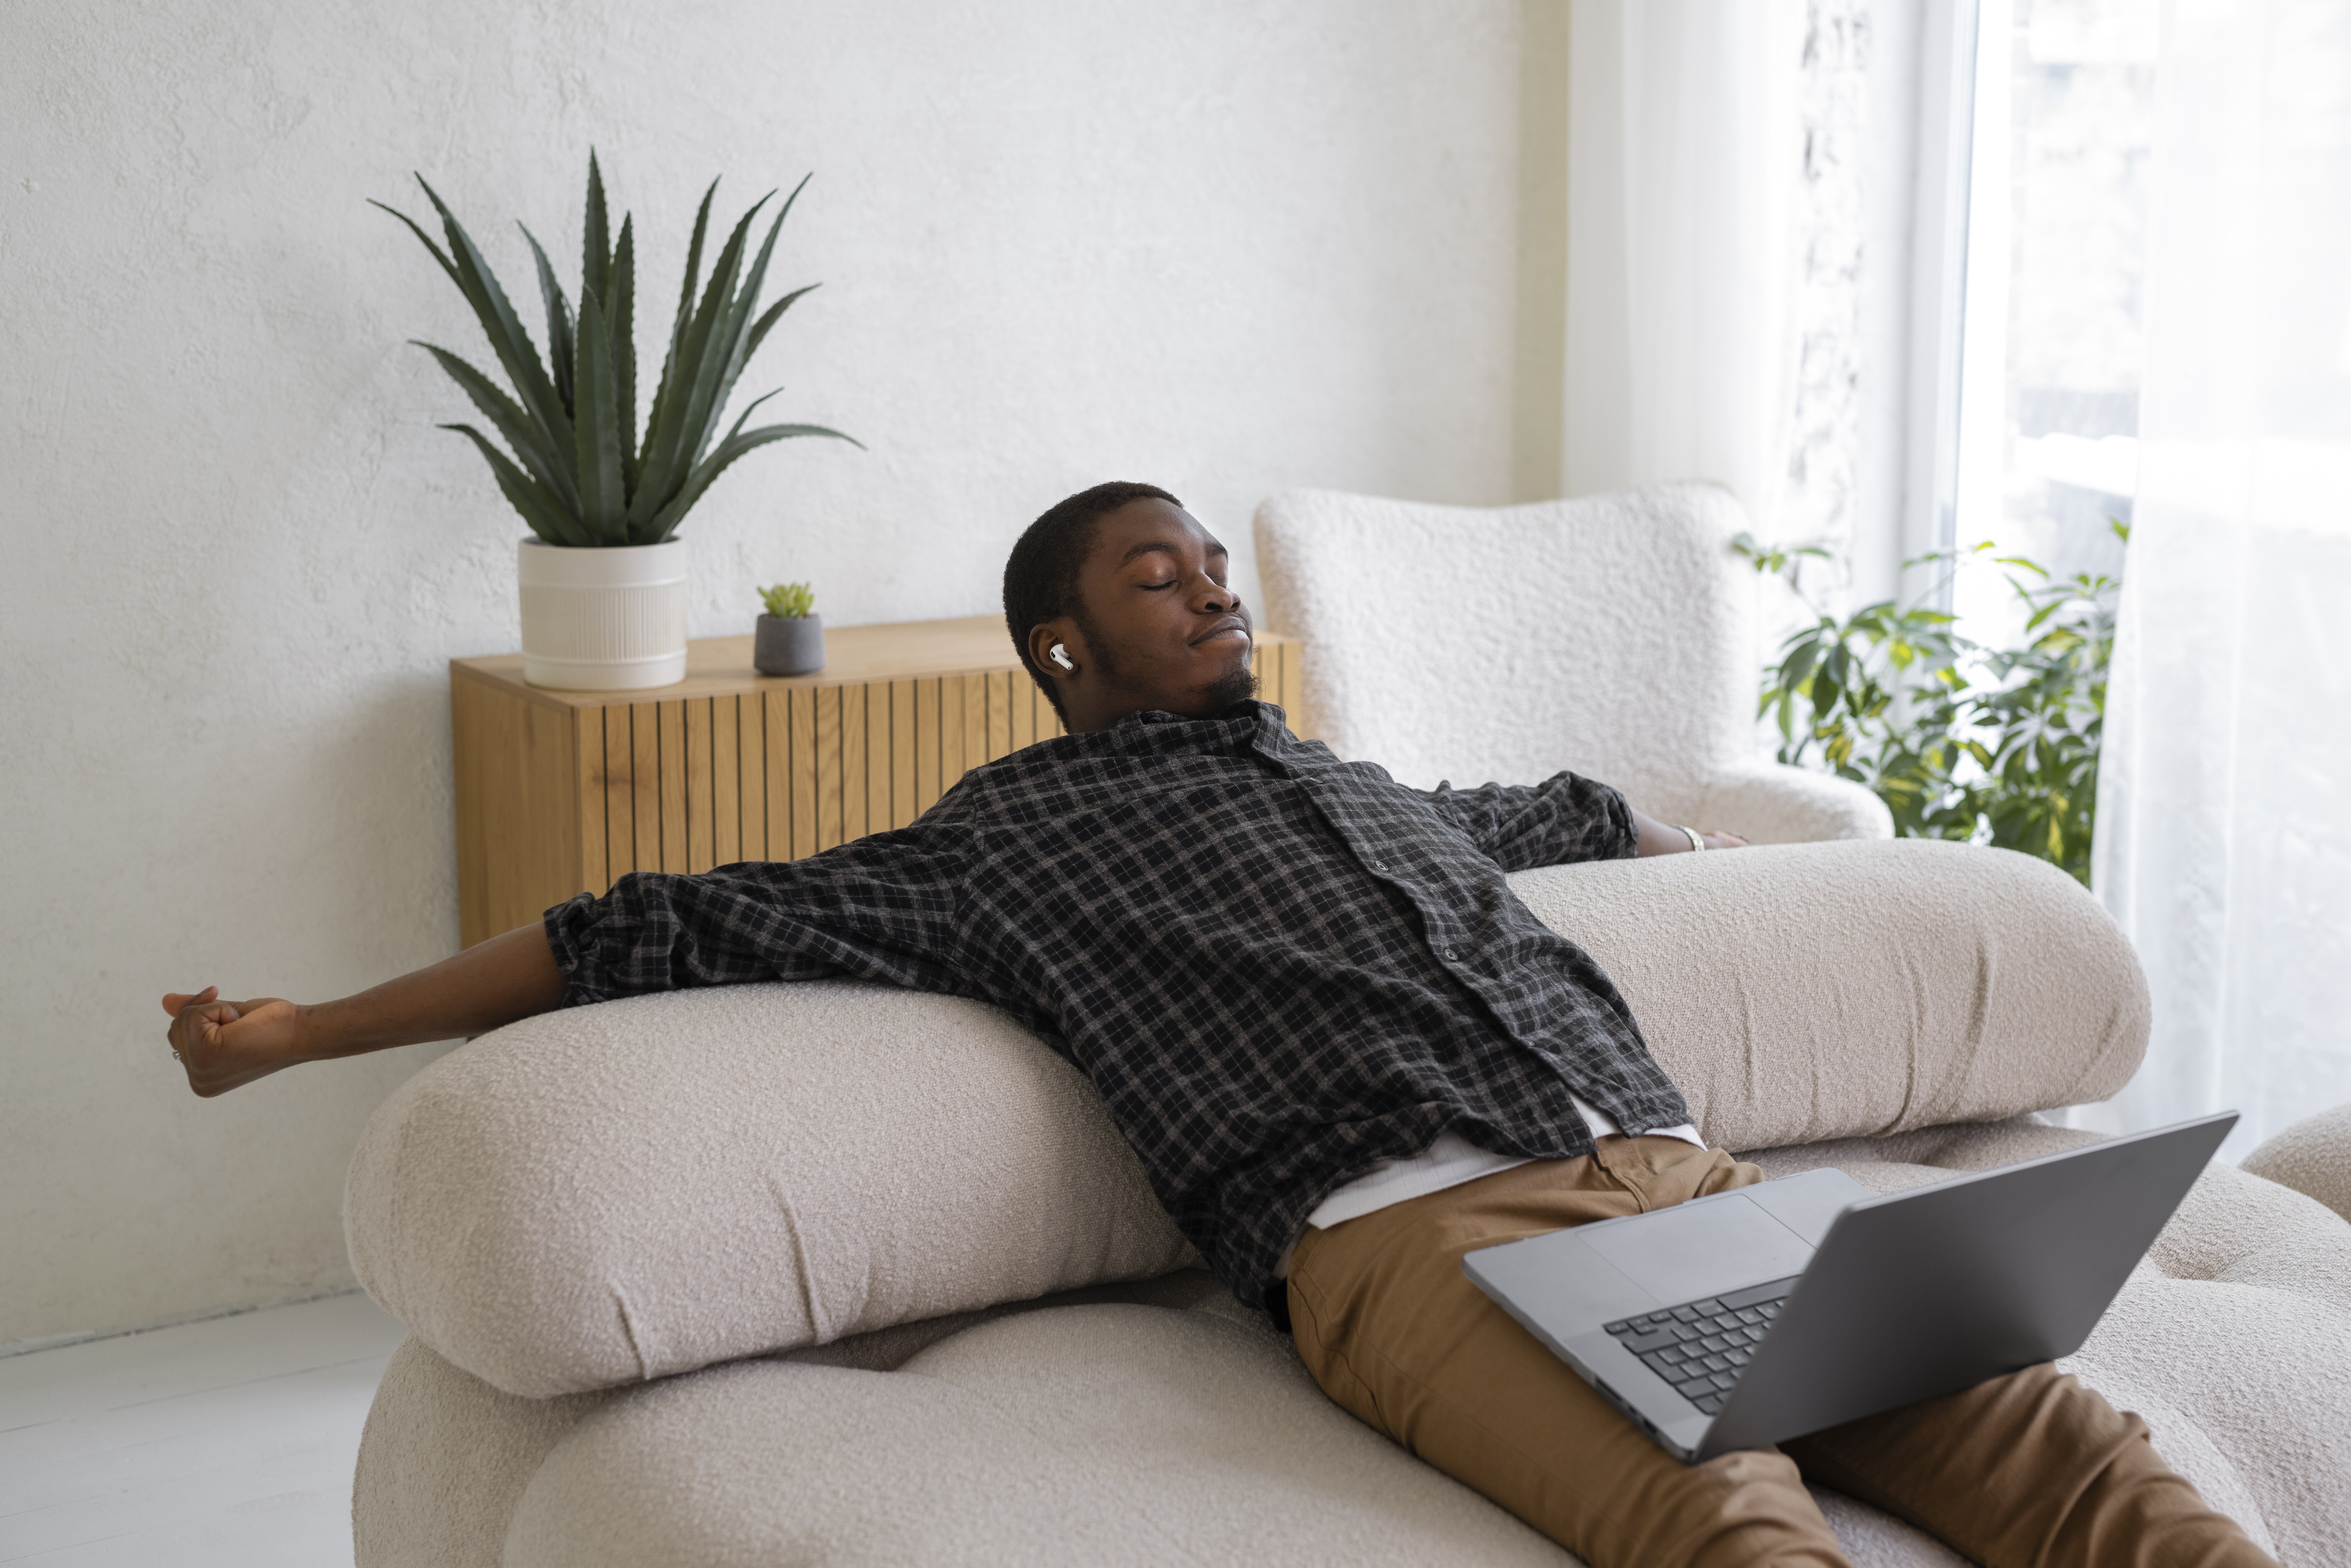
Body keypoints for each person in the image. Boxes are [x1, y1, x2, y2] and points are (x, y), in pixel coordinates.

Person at [165, 482, 2269, 1568]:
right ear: (1064, 643)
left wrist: (1686, 825)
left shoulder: (1358, 784)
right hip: (1423, 1241)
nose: (1218, 594)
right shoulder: (1002, 837)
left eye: (1217, 568)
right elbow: (641, 925)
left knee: (2074, 1451)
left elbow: (1556, 812)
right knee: (1723, 1519)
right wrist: (296, 1026)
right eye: (1165, 576)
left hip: (1690, 1177)